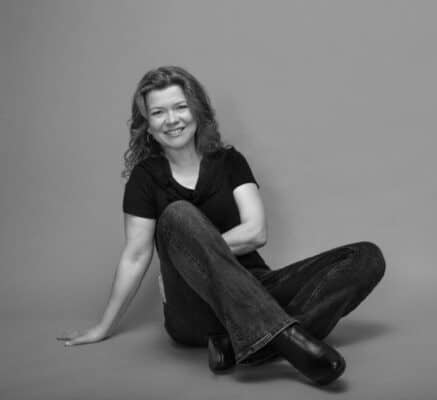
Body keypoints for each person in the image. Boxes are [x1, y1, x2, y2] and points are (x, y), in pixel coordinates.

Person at [57, 66, 385, 386]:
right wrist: (104, 326)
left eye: (180, 107)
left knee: (365, 257)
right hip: (192, 309)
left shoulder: (230, 162)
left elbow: (256, 232)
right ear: (147, 125)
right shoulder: (145, 178)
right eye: (158, 112)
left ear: (197, 110)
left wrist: (195, 250)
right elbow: (135, 256)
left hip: (254, 288)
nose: (171, 119)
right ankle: (285, 339)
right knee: (178, 214)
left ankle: (241, 344)